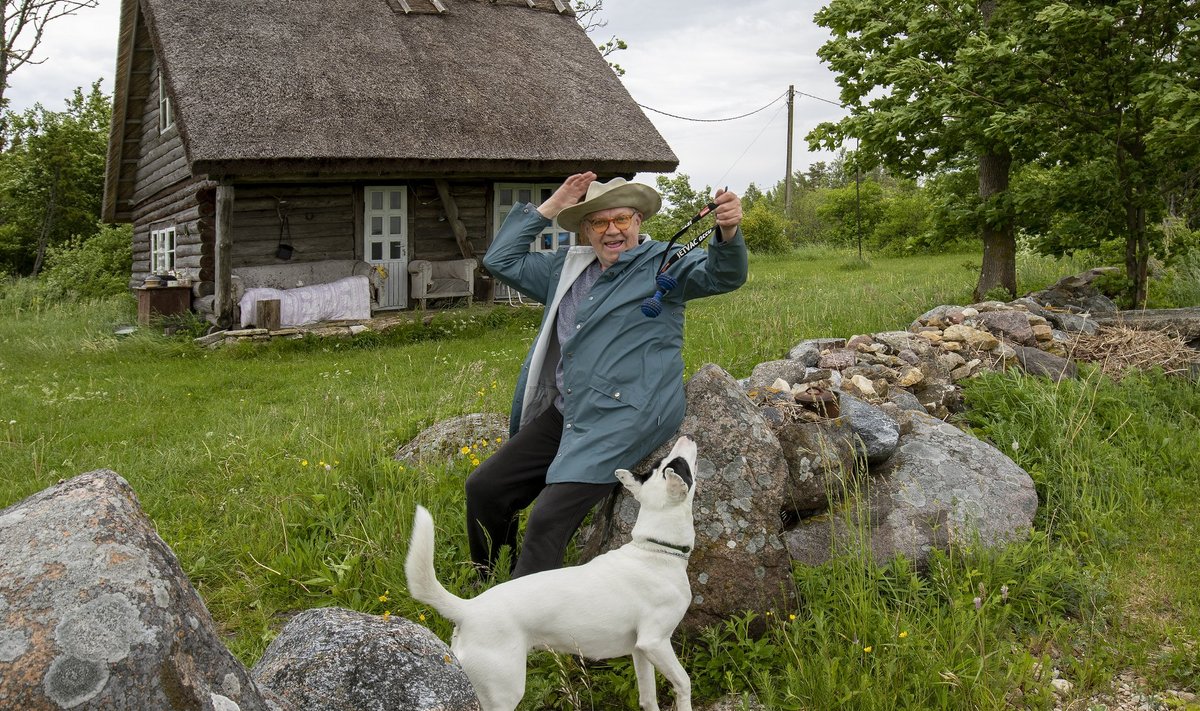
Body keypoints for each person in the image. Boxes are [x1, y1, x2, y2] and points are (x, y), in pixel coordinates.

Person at [466, 172, 747, 579]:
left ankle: (522, 620)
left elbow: (724, 276)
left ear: (638, 222)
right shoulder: (567, 270)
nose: (611, 231)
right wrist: (553, 204)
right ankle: (486, 577)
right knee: (486, 488)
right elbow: (500, 260)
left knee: (548, 517)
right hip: (570, 412)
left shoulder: (665, 265)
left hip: (626, 416)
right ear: (585, 230)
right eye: (599, 222)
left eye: (621, 220)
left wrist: (728, 229)